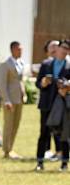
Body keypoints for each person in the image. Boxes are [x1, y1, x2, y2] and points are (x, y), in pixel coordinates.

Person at [35, 39, 62, 168]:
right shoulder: (45, 64)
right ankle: (40, 160)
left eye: (56, 47)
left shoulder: (66, 64)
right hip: (46, 104)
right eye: (51, 47)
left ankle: (62, 157)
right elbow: (38, 83)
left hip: (61, 104)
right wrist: (43, 83)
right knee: (44, 133)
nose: (54, 50)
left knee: (61, 133)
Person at [45, 40, 70, 172]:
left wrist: (67, 86)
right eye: (63, 48)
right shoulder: (49, 63)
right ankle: (62, 161)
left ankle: (65, 162)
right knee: (61, 133)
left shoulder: (69, 64)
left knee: (66, 134)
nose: (65, 51)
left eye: (67, 48)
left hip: (66, 101)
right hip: (57, 102)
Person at [0, 41, 26, 159]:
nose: (21, 51)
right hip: (9, 100)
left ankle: (11, 148)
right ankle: (6, 150)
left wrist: (23, 94)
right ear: (13, 49)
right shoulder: (5, 64)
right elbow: (2, 84)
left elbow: (20, 81)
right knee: (8, 125)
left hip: (19, 99)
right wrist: (7, 100)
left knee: (16, 124)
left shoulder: (21, 63)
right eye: (19, 49)